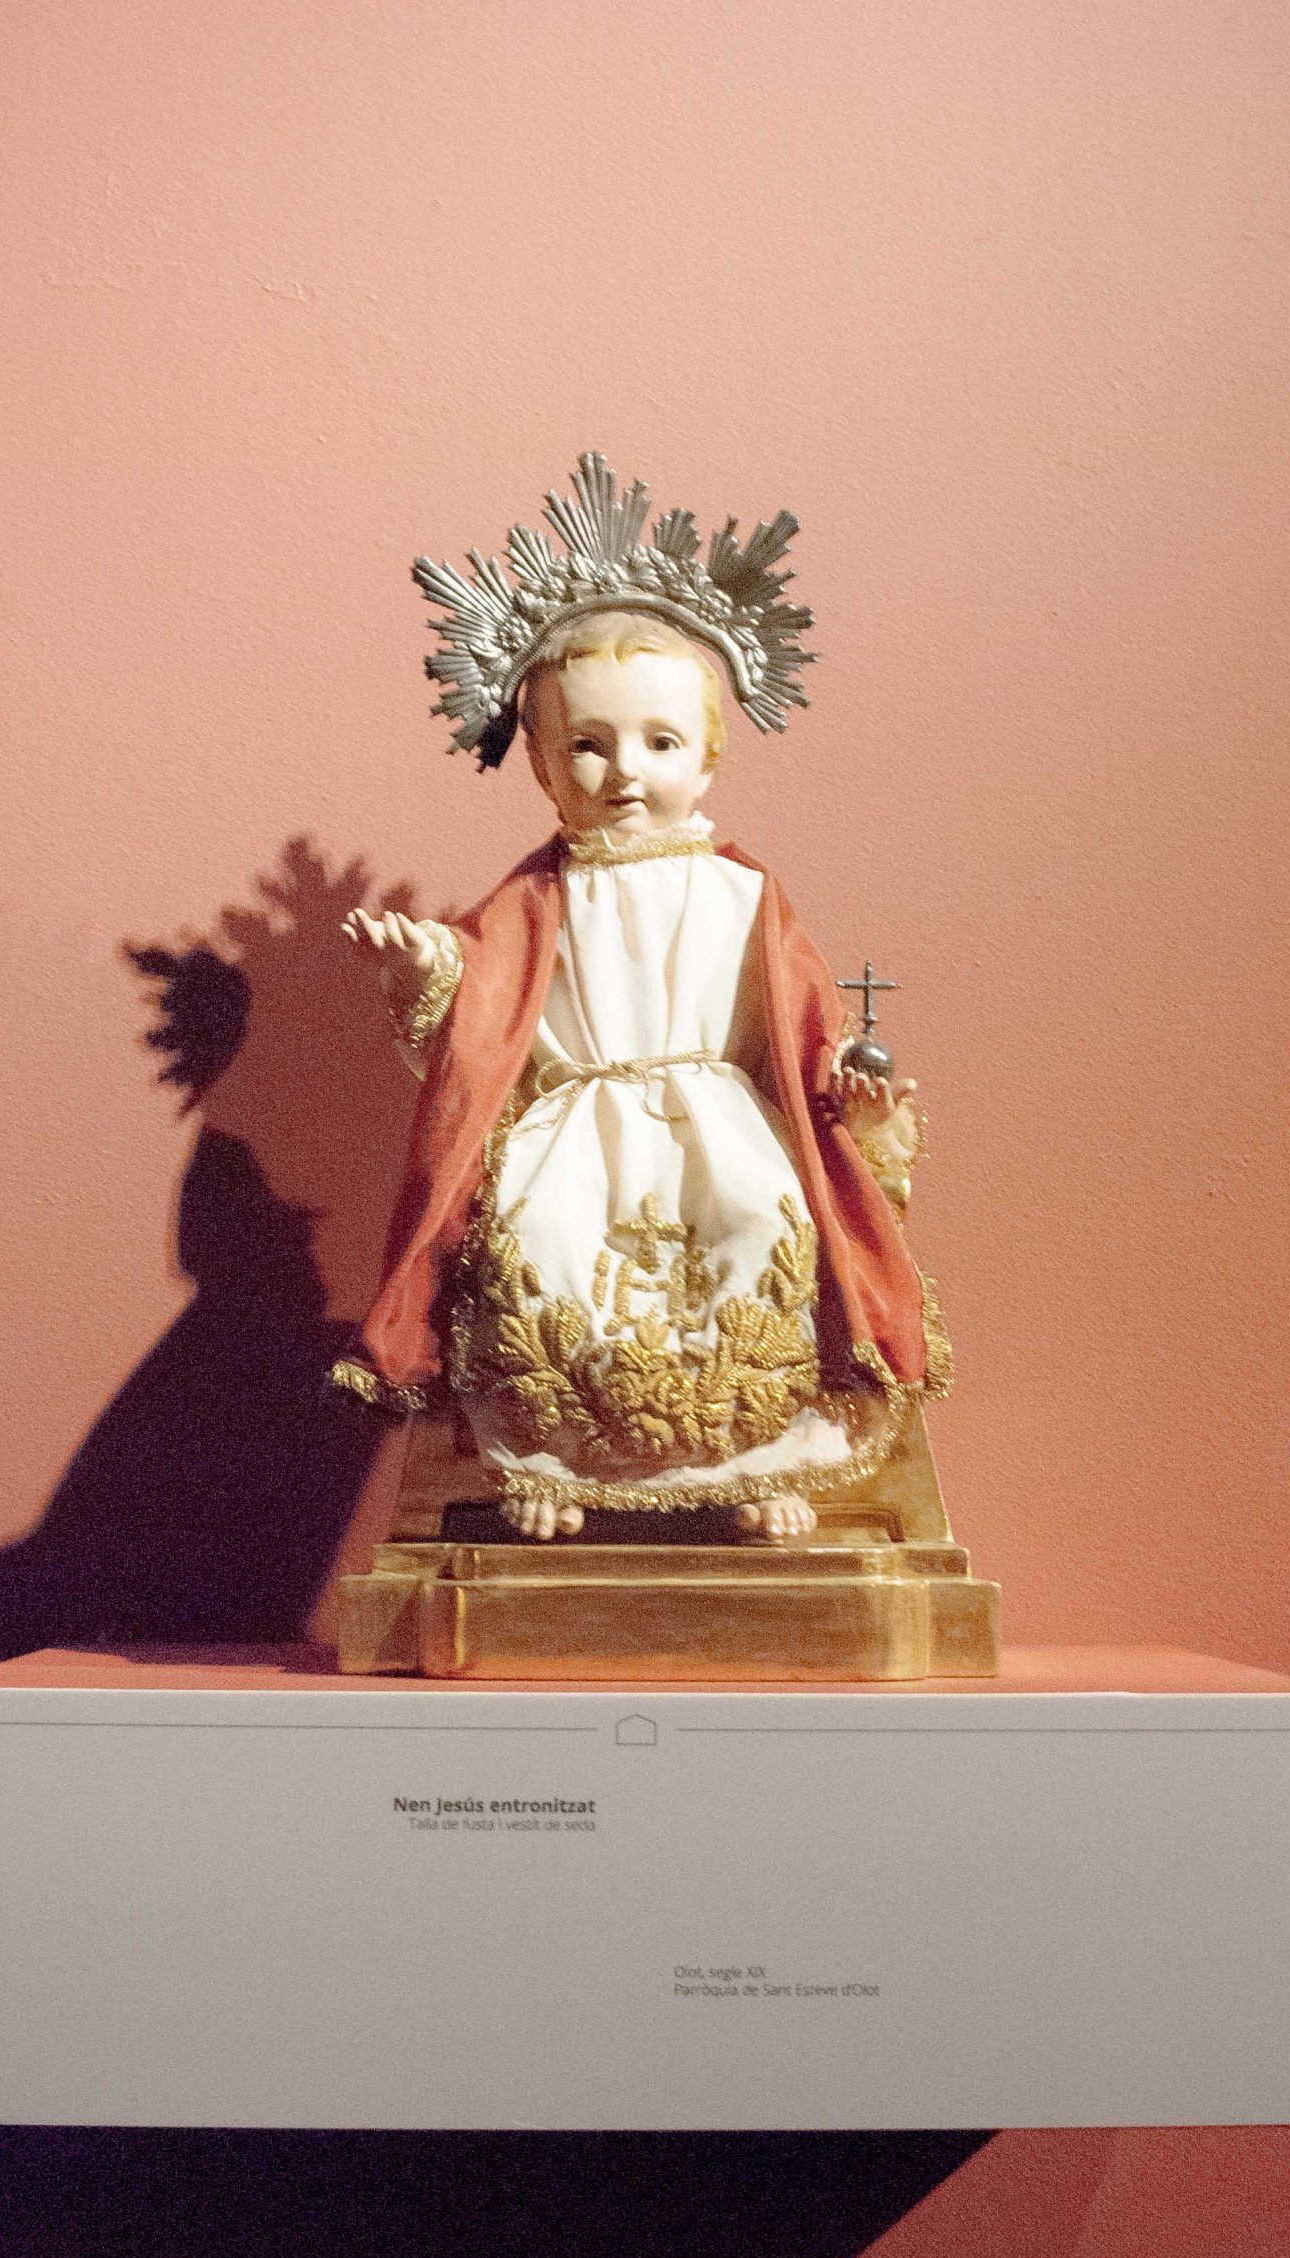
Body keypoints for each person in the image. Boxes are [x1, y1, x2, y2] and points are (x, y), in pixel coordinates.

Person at [333, 461, 948, 1541]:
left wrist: (842, 1090)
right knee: (547, 1247)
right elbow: (484, 1029)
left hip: (720, 1127)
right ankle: (547, 1460)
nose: (625, 770)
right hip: (578, 1131)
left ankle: (759, 1455)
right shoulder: (534, 901)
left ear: (707, 758)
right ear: (541, 767)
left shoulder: (743, 894)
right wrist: (426, 971)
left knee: (761, 1229)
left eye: (660, 742)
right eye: (588, 744)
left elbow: (792, 1031)